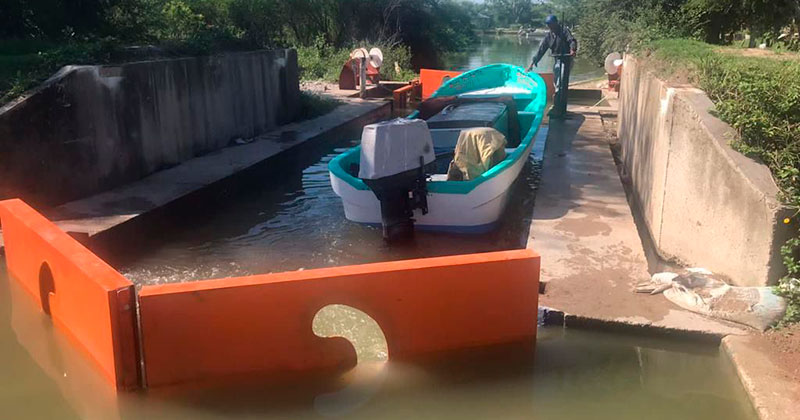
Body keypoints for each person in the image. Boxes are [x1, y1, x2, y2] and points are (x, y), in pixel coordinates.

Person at [527, 15, 577, 119]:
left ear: (556, 23)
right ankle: (558, 107)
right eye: (548, 25)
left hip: (566, 60)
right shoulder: (549, 36)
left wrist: (572, 49)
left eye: (552, 24)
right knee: (557, 84)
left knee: (561, 84)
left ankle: (561, 109)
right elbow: (541, 50)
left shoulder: (564, 31)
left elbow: (572, 40)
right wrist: (532, 63)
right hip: (557, 60)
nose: (550, 27)